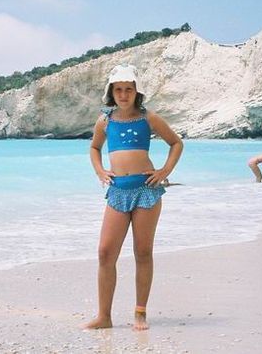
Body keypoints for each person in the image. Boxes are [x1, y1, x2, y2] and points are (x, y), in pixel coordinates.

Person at [85, 64, 183, 331]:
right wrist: (100, 171)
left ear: (137, 91)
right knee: (105, 253)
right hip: (118, 191)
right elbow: (94, 148)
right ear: (111, 92)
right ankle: (104, 316)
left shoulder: (148, 118)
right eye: (118, 89)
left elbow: (176, 143)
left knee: (143, 252)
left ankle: (140, 313)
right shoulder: (105, 121)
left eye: (128, 89)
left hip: (146, 190)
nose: (123, 94)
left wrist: (164, 171)